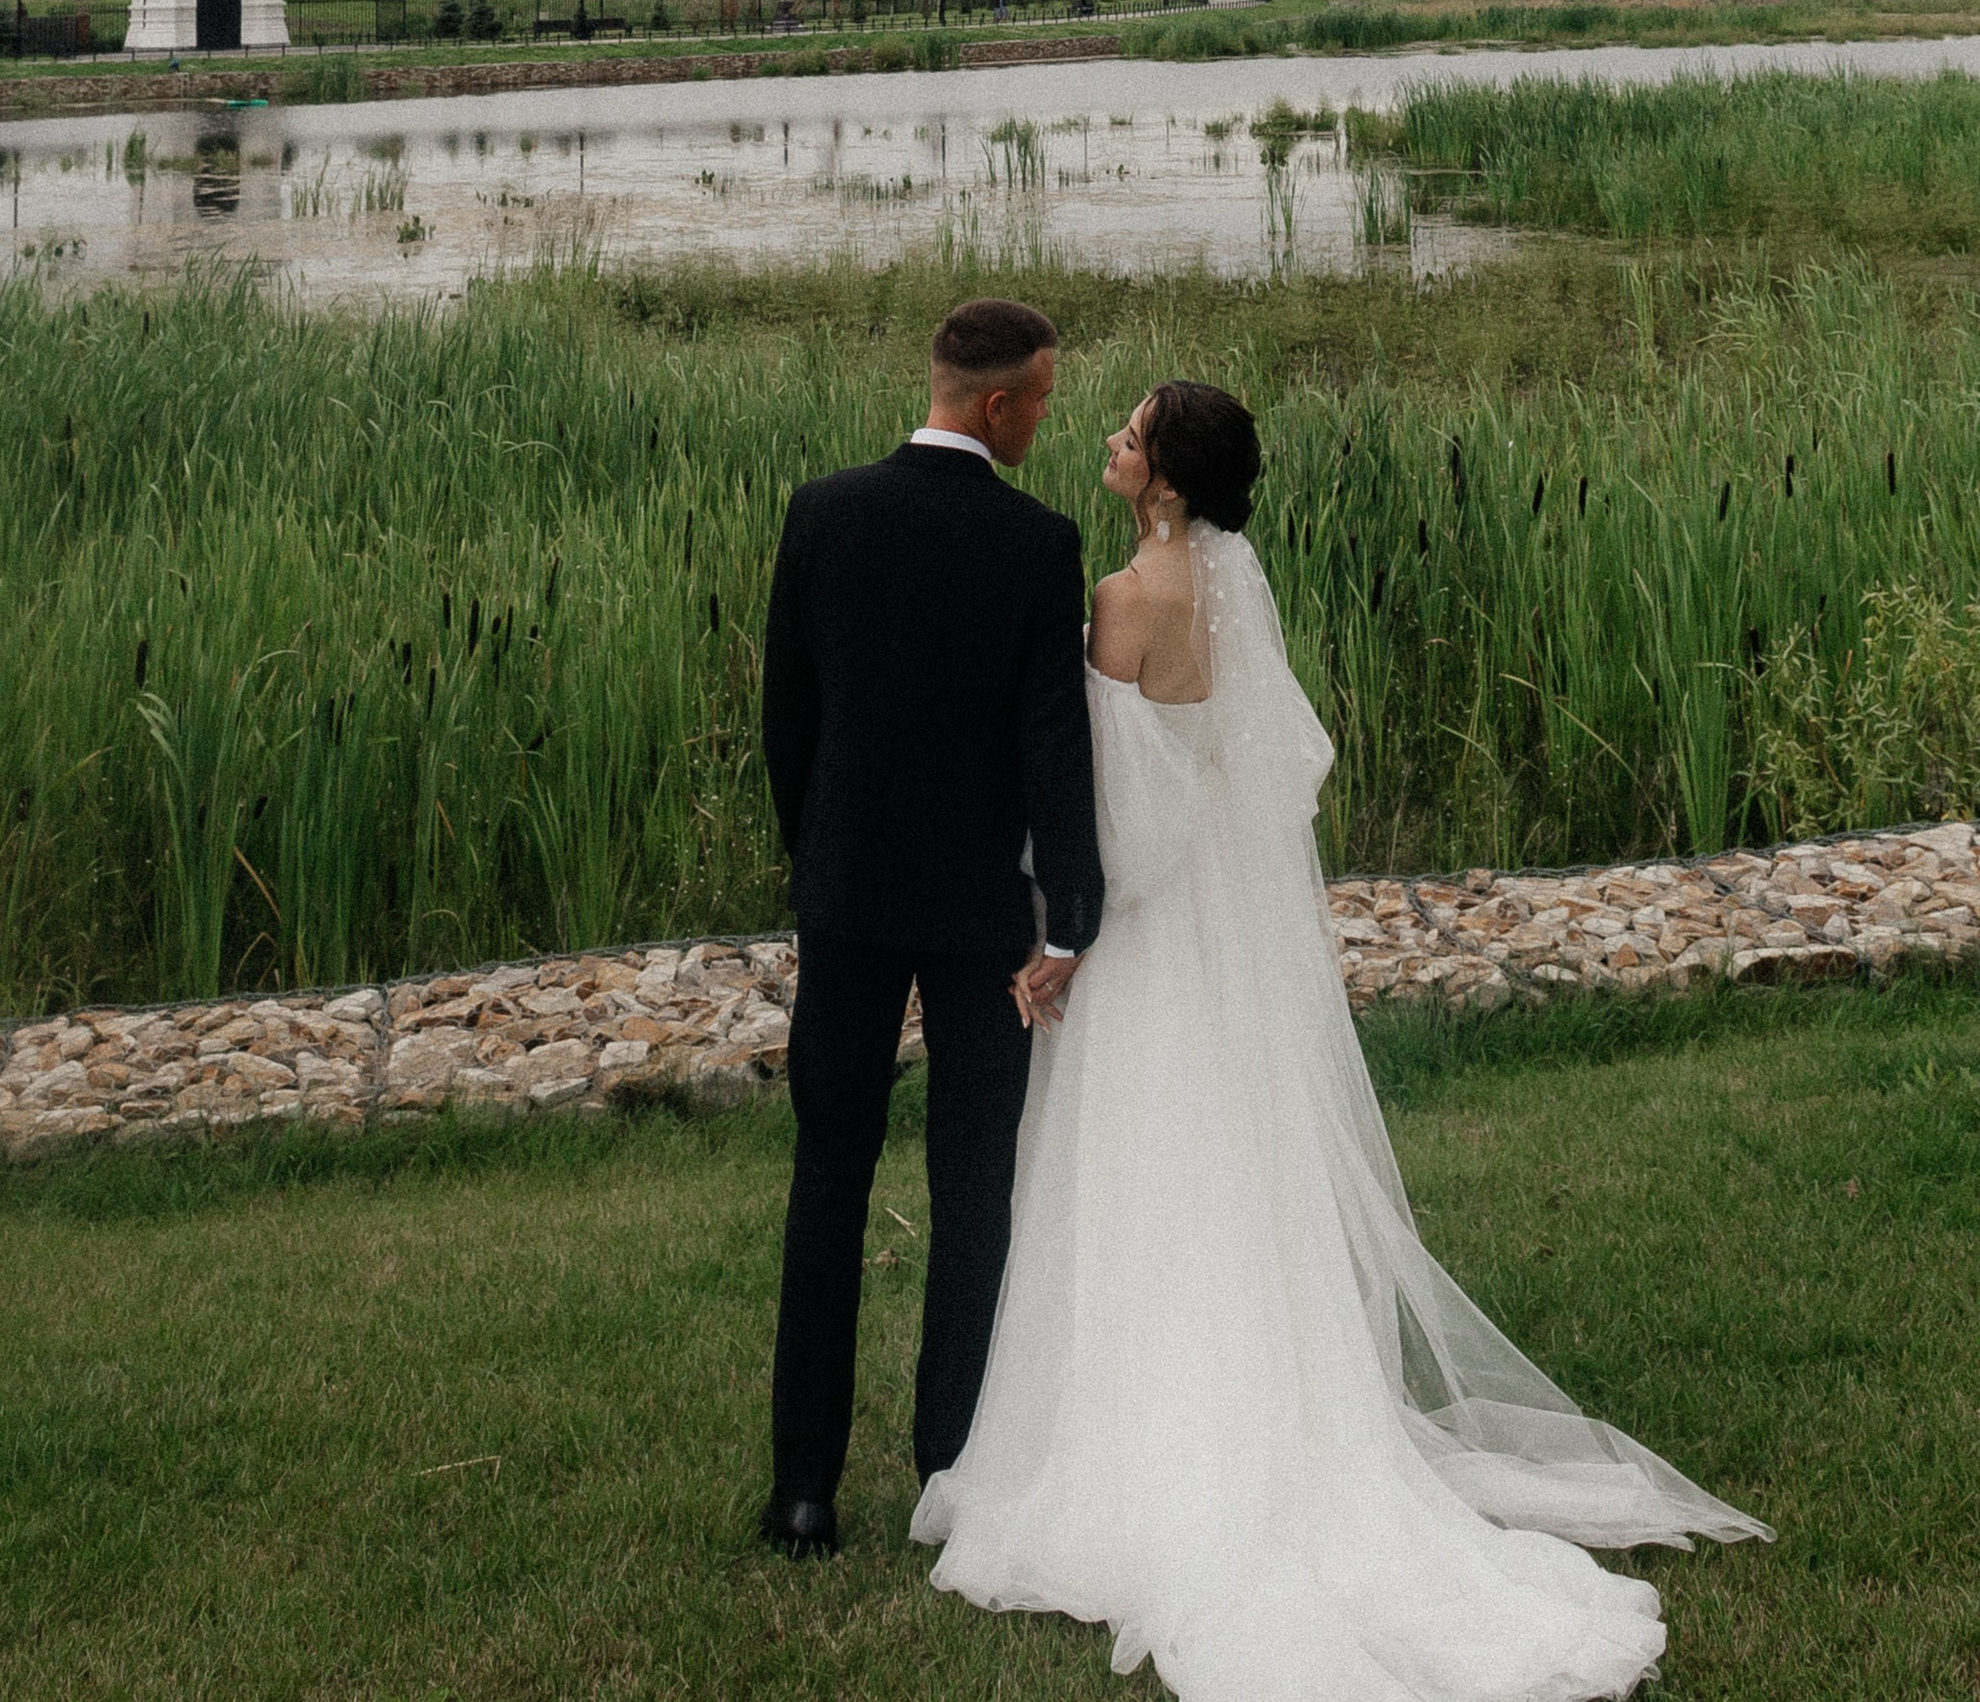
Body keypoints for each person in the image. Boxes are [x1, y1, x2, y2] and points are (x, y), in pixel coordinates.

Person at [914, 380, 1768, 1700]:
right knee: (1234, 1179)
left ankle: (1145, 1456)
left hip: (1150, 941)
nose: (1110, 442)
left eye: (1131, 435)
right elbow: (1246, 775)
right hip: (1223, 943)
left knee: (1143, 1179)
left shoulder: (1127, 599)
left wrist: (1062, 938)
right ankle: (1281, 1418)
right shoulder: (1228, 586)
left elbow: (1123, 825)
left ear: (1168, 482)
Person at [757, 294, 1102, 1560]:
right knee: (971, 1193)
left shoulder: (823, 514)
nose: (1046, 423)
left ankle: (802, 1492)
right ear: (1002, 404)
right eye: (1045, 403)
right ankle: (947, 1471)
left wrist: (822, 862)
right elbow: (1050, 752)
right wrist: (1070, 915)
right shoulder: (1037, 544)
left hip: (846, 901)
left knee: (826, 1186)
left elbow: (787, 723)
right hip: (978, 919)